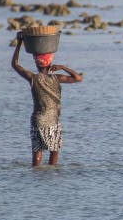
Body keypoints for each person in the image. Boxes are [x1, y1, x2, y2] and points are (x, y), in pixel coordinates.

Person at [12, 32, 82, 166]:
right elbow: (78, 78)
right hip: (51, 120)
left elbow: (15, 64)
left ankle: (36, 177)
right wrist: (62, 67)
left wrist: (19, 42)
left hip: (36, 120)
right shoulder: (57, 78)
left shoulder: (33, 78)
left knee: (37, 151)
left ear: (37, 65)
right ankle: (52, 176)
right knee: (54, 151)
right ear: (50, 63)